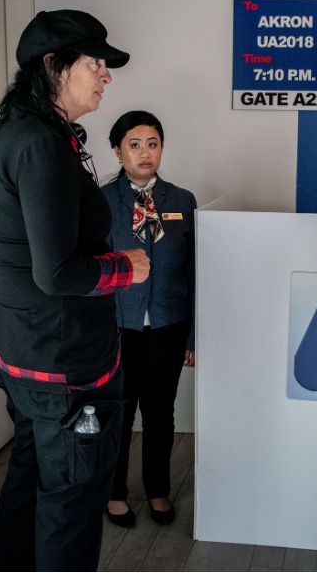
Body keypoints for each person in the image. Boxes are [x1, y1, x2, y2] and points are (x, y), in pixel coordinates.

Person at [0, 9, 149, 571]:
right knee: (72, 503)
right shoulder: (40, 145)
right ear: (53, 66)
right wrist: (127, 268)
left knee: (32, 481)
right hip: (62, 368)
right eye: (96, 64)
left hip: (24, 354)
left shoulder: (28, 134)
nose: (106, 76)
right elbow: (57, 273)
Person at [100, 110, 197, 528]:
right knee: (118, 411)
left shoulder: (181, 200)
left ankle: (158, 489)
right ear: (118, 151)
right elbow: (91, 269)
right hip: (116, 328)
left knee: (160, 411)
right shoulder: (101, 201)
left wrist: (192, 334)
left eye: (152, 143)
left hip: (168, 325)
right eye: (134, 144)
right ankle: (114, 492)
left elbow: (194, 272)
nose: (144, 152)